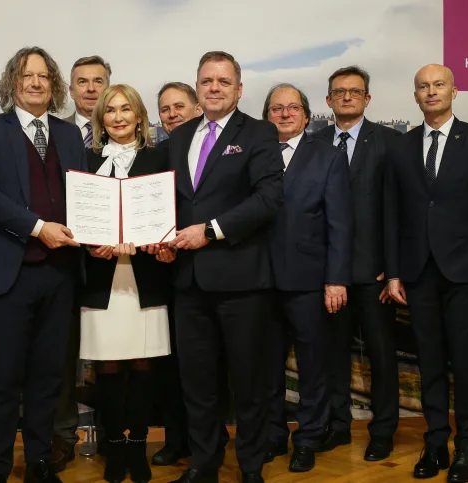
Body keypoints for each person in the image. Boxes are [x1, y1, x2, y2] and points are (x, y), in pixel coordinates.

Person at [0, 46, 85, 483]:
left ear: (52, 85)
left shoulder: (71, 137)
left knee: (48, 379)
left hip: (60, 275)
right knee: (2, 382)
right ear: (12, 83)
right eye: (26, 75)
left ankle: (38, 462)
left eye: (43, 76)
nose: (35, 83)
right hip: (8, 275)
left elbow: (85, 198)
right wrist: (38, 227)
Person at [166, 51, 283, 483]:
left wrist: (210, 230)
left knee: (247, 384)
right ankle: (204, 463)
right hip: (188, 282)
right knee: (197, 384)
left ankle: (251, 467)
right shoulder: (177, 139)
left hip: (241, 281)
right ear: (198, 87)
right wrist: (163, 241)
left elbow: (269, 199)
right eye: (206, 81)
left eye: (223, 81)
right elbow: (172, 205)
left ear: (238, 88)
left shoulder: (259, 133)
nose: (214, 88)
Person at [384, 64, 468, 483]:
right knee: (429, 364)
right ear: (414, 95)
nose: (431, 92)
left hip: (466, 275)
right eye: (423, 86)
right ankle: (435, 442)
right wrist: (394, 273)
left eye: (438, 85)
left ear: (455, 90)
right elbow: (392, 215)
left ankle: (466, 448)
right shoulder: (401, 147)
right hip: (418, 275)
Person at [79, 84, 176, 483]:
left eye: (126, 109)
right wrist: (90, 245)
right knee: (109, 368)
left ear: (140, 116)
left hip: (146, 277)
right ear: (100, 118)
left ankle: (137, 446)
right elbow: (76, 215)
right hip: (102, 280)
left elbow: (172, 214)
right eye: (110, 110)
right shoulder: (85, 161)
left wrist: (162, 241)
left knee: (143, 365)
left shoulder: (159, 158)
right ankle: (113, 448)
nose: (118, 117)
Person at [312, 66, 402, 461]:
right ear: (328, 100)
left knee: (382, 357)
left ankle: (383, 431)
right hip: (327, 273)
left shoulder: (390, 142)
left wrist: (393, 264)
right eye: (339, 92)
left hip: (374, 272)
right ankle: (338, 426)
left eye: (355, 92)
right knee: (332, 356)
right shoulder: (312, 144)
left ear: (368, 99)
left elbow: (402, 210)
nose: (347, 97)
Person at [262, 83, 351, 473]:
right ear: (267, 115)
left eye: (292, 108)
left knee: (314, 366)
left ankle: (309, 437)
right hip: (259, 281)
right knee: (265, 367)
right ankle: (272, 435)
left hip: (311, 282)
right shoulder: (253, 154)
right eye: (276, 108)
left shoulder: (328, 157)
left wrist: (336, 279)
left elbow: (341, 224)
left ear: (307, 114)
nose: (284, 114)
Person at [152, 82, 229, 468]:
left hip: (215, 270)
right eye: (164, 109)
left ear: (198, 106)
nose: (171, 114)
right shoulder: (160, 152)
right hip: (167, 270)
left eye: (179, 106)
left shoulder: (215, 149)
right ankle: (177, 438)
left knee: (209, 368)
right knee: (174, 365)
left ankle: (212, 443)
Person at [53, 53, 111, 472]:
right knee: (61, 356)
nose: (91, 88)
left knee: (114, 356)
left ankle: (115, 433)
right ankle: (61, 436)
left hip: (118, 265)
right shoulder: (53, 135)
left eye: (98, 81)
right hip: (66, 262)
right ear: (70, 90)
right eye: (82, 82)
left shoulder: (132, 135)